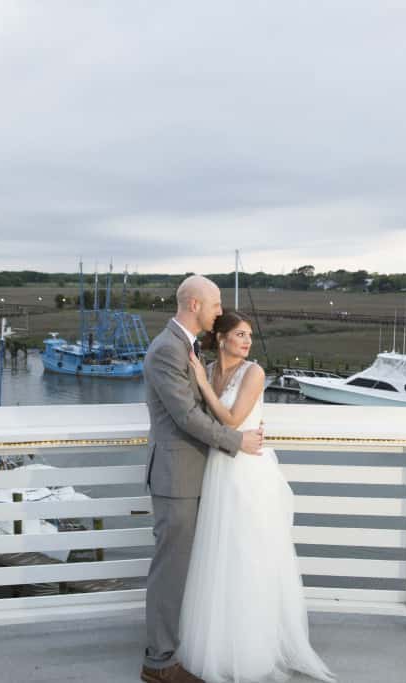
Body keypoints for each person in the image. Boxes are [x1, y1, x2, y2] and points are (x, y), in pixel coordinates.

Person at [179, 311, 336, 683]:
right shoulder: (210, 367)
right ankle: (219, 643)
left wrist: (202, 384)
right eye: (239, 334)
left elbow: (232, 421)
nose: (247, 341)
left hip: (248, 472)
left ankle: (251, 649)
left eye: (249, 335)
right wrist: (203, 379)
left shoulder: (254, 372)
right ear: (220, 338)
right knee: (220, 554)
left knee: (249, 553)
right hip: (218, 469)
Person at [141, 275, 265, 683]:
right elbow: (186, 417)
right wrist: (236, 441)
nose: (218, 312)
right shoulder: (166, 350)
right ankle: (159, 664)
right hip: (177, 476)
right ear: (194, 305)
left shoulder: (185, 347)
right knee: (171, 570)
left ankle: (172, 651)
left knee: (185, 568)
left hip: (196, 474)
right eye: (214, 305)